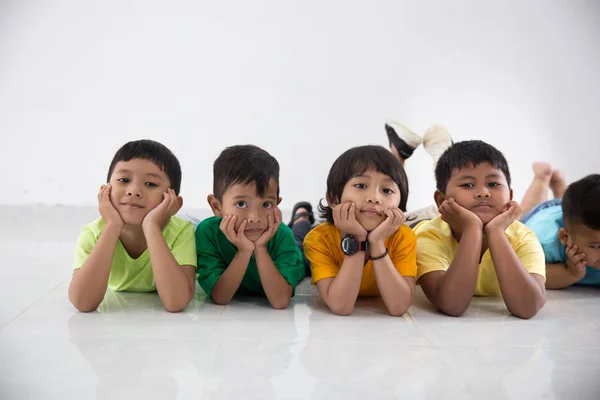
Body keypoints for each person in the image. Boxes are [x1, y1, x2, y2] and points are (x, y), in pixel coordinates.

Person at [69, 139, 197, 312]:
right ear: (104, 191)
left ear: (174, 203)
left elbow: (176, 302)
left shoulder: (183, 231)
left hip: (187, 222)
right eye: (124, 179)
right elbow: (83, 303)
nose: (134, 190)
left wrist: (152, 226)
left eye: (151, 184)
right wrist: (112, 226)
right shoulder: (92, 233)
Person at [303, 145, 416, 316]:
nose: (375, 198)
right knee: (298, 233)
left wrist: (377, 243)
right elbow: (341, 306)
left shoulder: (404, 237)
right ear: (334, 198)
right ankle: (301, 215)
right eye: (361, 185)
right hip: (308, 243)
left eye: (387, 190)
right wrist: (357, 239)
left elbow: (398, 307)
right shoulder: (318, 240)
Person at [195, 145, 306, 309]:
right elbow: (221, 297)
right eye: (241, 204)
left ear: (277, 205)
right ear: (216, 206)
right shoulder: (208, 232)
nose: (255, 218)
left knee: (300, 239)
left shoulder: (281, 235)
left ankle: (302, 216)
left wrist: (260, 247)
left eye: (266, 204)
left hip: (297, 250)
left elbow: (280, 301)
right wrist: (244, 251)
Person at [519, 163, 600, 288]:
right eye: (597, 246)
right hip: (542, 217)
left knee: (572, 209)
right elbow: (528, 274)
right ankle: (541, 177)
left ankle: (558, 184)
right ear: (565, 238)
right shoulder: (543, 244)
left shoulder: (584, 234)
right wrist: (570, 273)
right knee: (519, 222)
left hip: (570, 218)